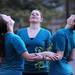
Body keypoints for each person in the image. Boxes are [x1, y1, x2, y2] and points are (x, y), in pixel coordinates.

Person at [17, 9, 52, 75]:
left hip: (42, 70)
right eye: (32, 14)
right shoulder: (20, 32)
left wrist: (43, 57)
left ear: (41, 19)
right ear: (29, 18)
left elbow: (51, 52)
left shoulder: (47, 33)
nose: (34, 15)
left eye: (37, 14)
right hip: (23, 69)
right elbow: (15, 50)